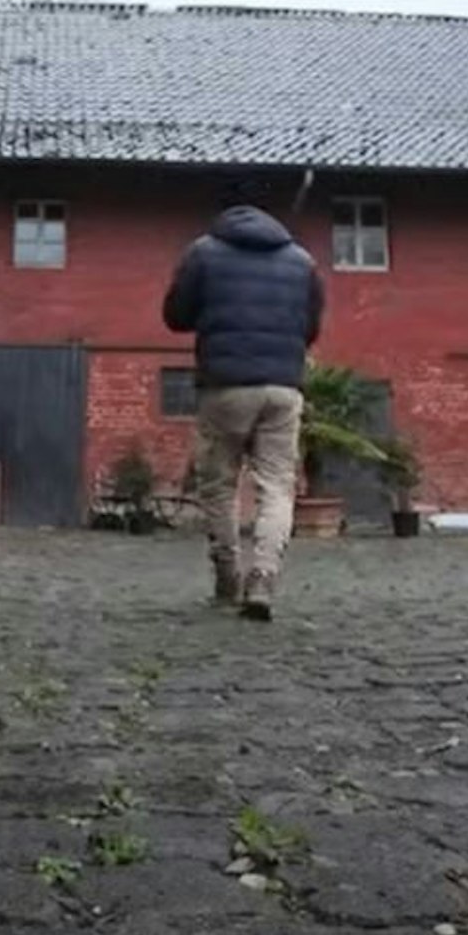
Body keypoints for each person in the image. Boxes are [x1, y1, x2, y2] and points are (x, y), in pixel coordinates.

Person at [161, 182, 325, 621]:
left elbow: (174, 316)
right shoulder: (303, 261)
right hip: (284, 388)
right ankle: (264, 578)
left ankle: (228, 576)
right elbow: (310, 329)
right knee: (276, 486)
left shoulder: (204, 252)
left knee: (218, 484)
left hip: (225, 386)